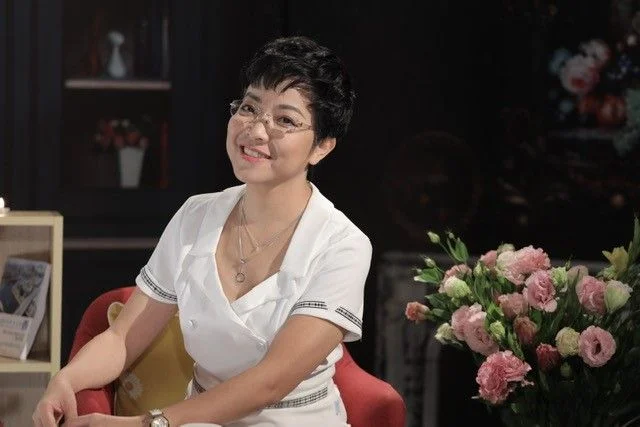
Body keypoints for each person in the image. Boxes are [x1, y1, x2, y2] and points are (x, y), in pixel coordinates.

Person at [33, 35, 372, 427]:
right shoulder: (196, 216)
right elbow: (123, 338)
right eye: (249, 108)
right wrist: (63, 380)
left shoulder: (343, 246)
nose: (256, 131)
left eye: (285, 120)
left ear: (322, 146)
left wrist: (147, 424)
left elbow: (270, 383)